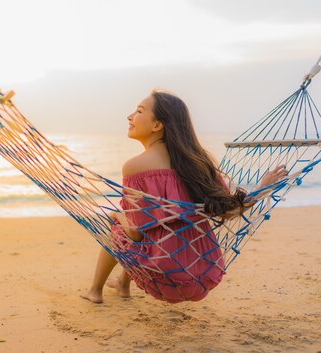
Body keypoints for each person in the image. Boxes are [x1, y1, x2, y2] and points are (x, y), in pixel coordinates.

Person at [80, 90, 287, 304]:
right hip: (205, 271)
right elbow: (230, 209)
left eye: (139, 111)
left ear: (157, 125)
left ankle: (95, 291)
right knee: (155, 228)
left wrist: (118, 216)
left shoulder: (134, 167)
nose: (130, 116)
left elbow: (135, 231)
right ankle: (123, 284)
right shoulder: (199, 164)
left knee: (120, 227)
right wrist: (262, 188)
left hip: (164, 275)